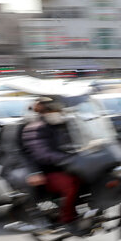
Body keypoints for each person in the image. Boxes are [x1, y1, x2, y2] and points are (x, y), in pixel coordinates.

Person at [20, 97, 81, 229]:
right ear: (46, 111)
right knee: (70, 184)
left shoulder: (59, 125)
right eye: (57, 110)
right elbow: (42, 153)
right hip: (46, 172)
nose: (61, 112)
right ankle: (67, 218)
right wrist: (67, 158)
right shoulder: (35, 128)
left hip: (64, 167)